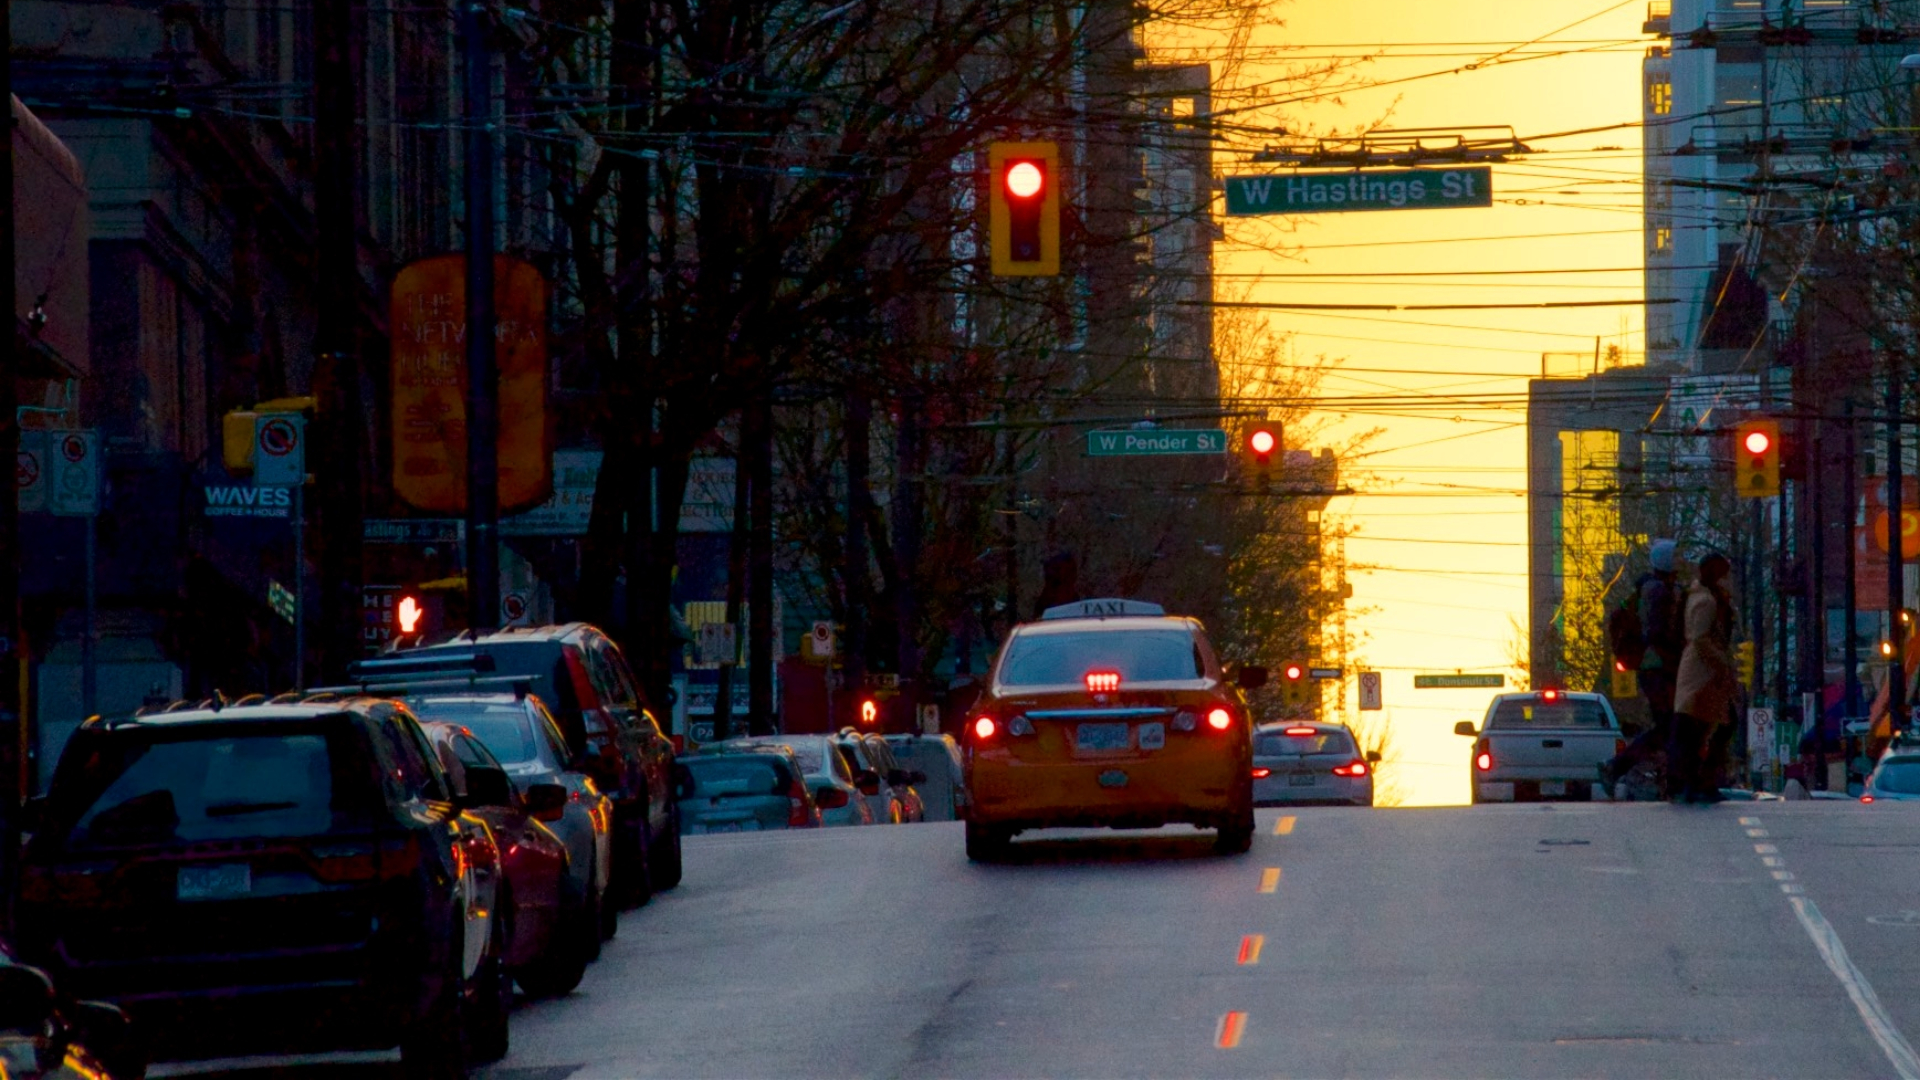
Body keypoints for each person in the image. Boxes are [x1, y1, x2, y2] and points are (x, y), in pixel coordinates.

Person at [1601, 538, 1685, 795]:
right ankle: (1618, 768)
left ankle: (1620, 768)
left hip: (1655, 668)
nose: (1681, 561)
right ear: (1667, 561)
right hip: (1659, 668)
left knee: (1668, 726)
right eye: (1677, 557)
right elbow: (1657, 632)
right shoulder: (1659, 591)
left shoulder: (1653, 588)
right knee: (1669, 726)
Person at [1670, 551, 1739, 804]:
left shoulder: (1700, 595)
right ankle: (1698, 781)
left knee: (1698, 729)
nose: (1726, 578)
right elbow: (1700, 638)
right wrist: (1723, 665)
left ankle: (1696, 781)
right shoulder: (1707, 601)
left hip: (1703, 673)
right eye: (1722, 572)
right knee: (1704, 727)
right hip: (1703, 674)